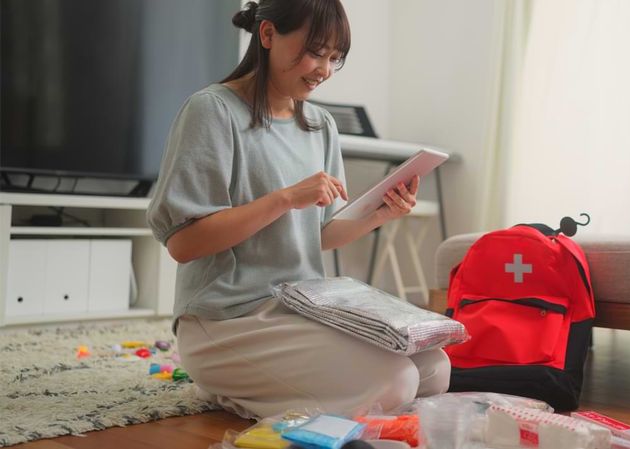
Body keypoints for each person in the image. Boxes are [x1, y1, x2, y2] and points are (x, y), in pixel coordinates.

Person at [146, 0, 450, 419]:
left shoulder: (319, 125)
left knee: (433, 368)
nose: (323, 69)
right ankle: (237, 392)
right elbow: (184, 243)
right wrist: (285, 198)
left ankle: (283, 393)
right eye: (315, 52)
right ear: (268, 35)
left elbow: (320, 234)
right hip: (226, 319)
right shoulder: (212, 111)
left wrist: (381, 212)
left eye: (334, 58)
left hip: (299, 307)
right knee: (396, 382)